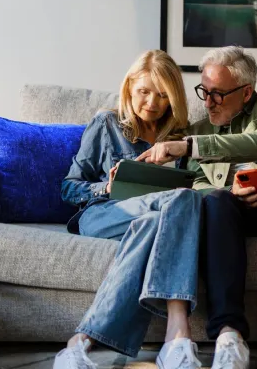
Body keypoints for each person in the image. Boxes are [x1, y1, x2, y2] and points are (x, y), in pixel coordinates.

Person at [137, 46, 257, 369]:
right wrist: (225, 187)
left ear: (246, 92)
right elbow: (191, 184)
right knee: (215, 200)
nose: (207, 102)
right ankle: (228, 334)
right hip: (230, 218)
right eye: (204, 92)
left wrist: (190, 147)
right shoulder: (198, 128)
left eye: (218, 94)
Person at [54, 50, 203, 369]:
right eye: (144, 92)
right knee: (183, 199)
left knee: (155, 221)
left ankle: (80, 343)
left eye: (163, 96)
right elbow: (69, 186)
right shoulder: (106, 123)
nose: (152, 103)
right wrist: (105, 187)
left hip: (154, 216)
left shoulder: (178, 138)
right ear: (129, 87)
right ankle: (177, 334)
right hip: (104, 214)